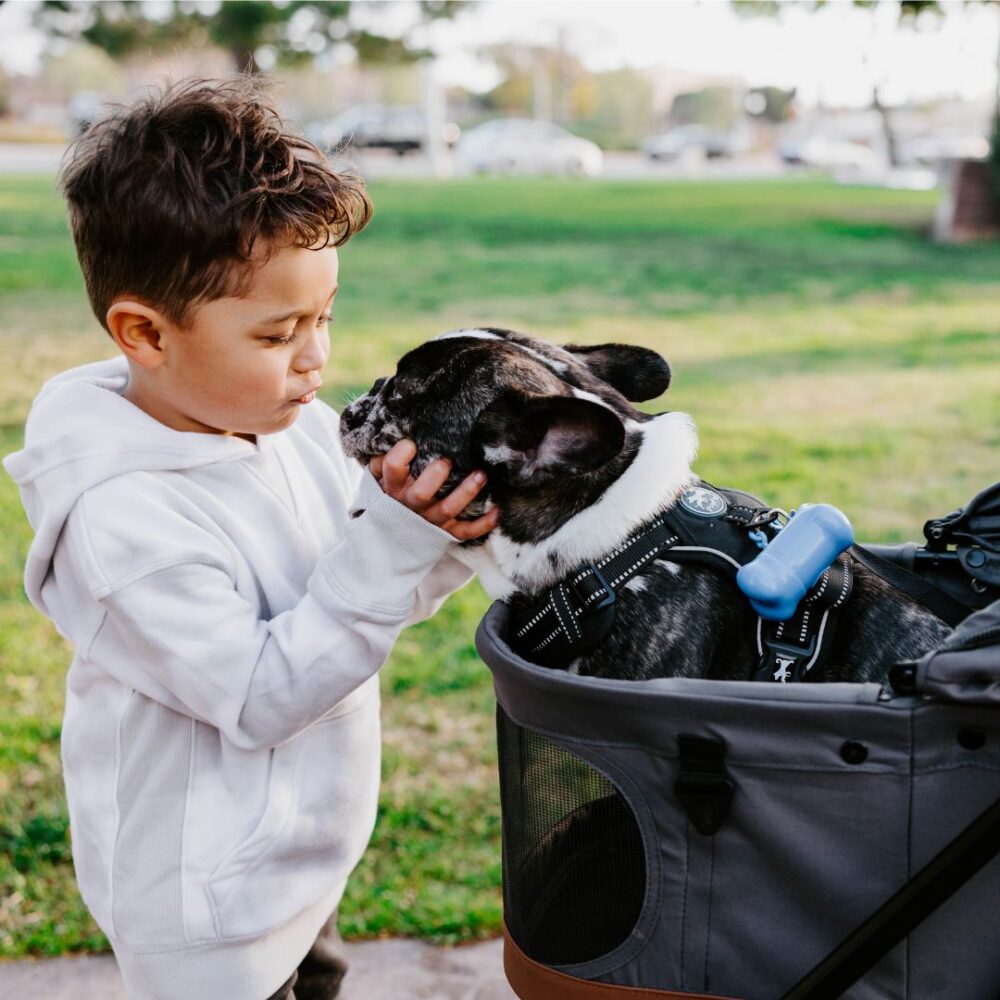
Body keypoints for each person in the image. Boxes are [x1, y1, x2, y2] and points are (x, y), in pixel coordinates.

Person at [2, 77, 497, 1000]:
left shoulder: (288, 426)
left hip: (301, 861)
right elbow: (262, 695)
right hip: (203, 907)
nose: (317, 357)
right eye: (278, 334)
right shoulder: (121, 520)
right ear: (145, 333)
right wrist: (393, 545)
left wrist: (442, 529)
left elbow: (361, 585)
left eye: (325, 318)